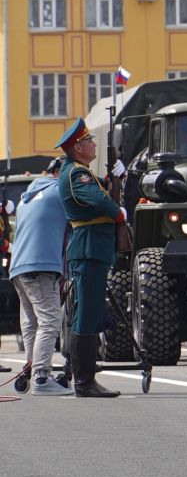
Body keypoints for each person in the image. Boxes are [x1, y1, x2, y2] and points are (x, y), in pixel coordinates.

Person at [55, 121, 122, 398]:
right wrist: (119, 213)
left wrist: (111, 180)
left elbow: (96, 193)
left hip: (92, 249)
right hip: (90, 248)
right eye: (89, 141)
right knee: (87, 314)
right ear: (78, 148)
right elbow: (98, 201)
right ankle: (84, 381)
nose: (94, 144)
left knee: (89, 312)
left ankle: (84, 375)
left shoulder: (79, 172)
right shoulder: (77, 174)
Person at [10, 162, 71, 394]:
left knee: (30, 323)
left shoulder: (27, 198)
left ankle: (31, 367)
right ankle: (42, 378)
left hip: (18, 267)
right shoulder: (60, 191)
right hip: (41, 265)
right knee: (49, 321)